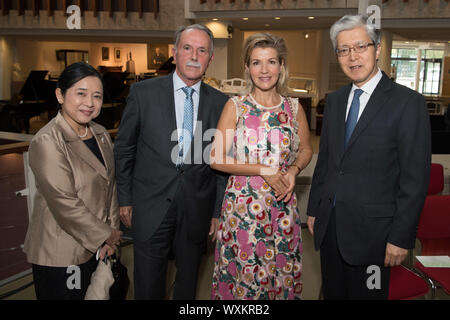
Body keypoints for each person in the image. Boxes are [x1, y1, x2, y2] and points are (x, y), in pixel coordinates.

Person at [306, 15, 431, 300]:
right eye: (343, 50)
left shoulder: (407, 103)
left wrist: (401, 237)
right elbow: (327, 162)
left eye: (360, 47)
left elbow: (415, 179)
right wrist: (314, 209)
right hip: (331, 229)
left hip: (376, 237)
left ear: (377, 49)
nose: (352, 57)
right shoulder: (335, 101)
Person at [114, 24, 229, 300]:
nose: (194, 56)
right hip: (149, 205)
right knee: (148, 285)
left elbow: (222, 164)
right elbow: (124, 149)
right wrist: (125, 199)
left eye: (202, 50)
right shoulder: (143, 93)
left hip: (196, 210)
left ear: (210, 59)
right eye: (187, 48)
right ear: (174, 52)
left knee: (187, 284)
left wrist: (217, 211)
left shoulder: (223, 104)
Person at [210, 33, 313, 300]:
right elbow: (215, 156)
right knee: (245, 283)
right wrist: (261, 169)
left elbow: (306, 148)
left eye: (271, 62)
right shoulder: (236, 106)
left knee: (281, 277)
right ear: (247, 67)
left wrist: (293, 169)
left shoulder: (294, 107)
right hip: (243, 210)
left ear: (282, 65)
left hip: (282, 210)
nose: (264, 70)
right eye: (256, 63)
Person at [23, 62, 122, 300]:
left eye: (96, 96)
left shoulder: (100, 133)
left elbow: (110, 187)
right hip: (61, 252)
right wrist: (106, 234)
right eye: (81, 93)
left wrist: (112, 232)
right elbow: (65, 203)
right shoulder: (47, 141)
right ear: (60, 94)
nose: (89, 103)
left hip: (97, 246)